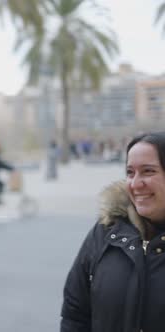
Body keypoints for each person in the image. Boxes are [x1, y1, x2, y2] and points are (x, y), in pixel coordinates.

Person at [61, 131, 165, 332]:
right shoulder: (106, 232)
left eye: (148, 171)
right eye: (130, 172)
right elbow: (75, 313)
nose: (135, 184)